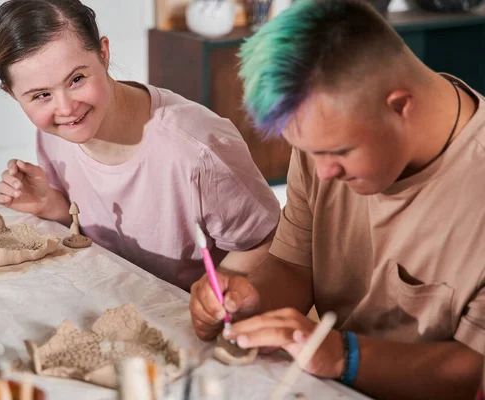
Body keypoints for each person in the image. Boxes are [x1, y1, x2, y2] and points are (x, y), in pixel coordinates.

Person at [189, 0, 485, 398]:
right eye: (309, 151)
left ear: (399, 105)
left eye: (339, 152)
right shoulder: (322, 141)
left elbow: (473, 372)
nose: (324, 172)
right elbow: (294, 266)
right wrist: (250, 299)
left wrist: (346, 356)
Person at [0, 0, 280, 291]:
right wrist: (50, 204)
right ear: (13, 95)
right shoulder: (54, 136)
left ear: (103, 54)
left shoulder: (198, 150)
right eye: (41, 96)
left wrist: (209, 297)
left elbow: (266, 242)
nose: (65, 108)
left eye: (76, 79)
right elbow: (97, 236)